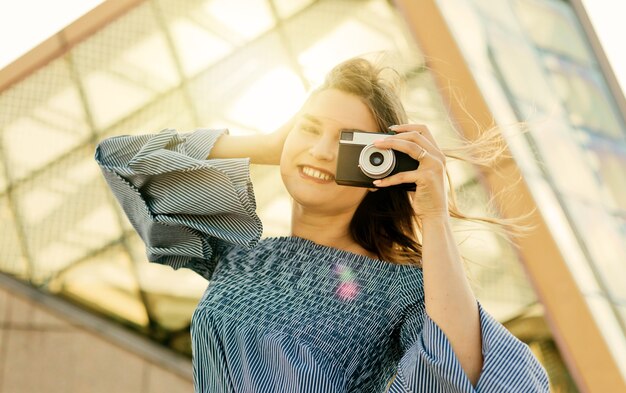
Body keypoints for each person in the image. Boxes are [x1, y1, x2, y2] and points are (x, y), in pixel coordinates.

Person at [95, 57, 549, 392]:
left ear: (380, 169)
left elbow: (467, 371)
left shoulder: (402, 289)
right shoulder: (240, 255)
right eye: (310, 128)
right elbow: (121, 161)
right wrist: (274, 145)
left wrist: (433, 215)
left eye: (347, 143)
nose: (321, 150)